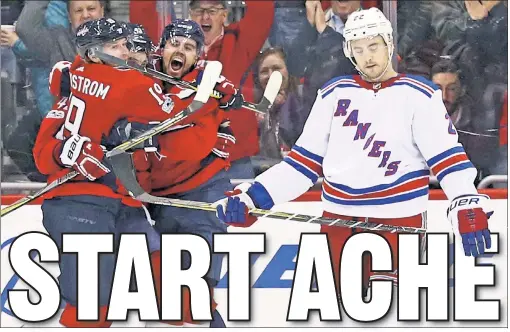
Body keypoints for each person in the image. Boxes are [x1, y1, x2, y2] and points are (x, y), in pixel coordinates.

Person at [214, 8, 493, 295]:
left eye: (373, 46)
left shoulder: (419, 94)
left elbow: (448, 158)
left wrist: (465, 200)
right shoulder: (333, 94)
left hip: (399, 226)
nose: (367, 56)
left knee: (394, 315)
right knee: (337, 314)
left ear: (389, 44)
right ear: (349, 52)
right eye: (358, 49)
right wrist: (253, 198)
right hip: (337, 224)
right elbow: (301, 166)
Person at [32, 17, 194, 327]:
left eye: (127, 47)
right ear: (93, 54)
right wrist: (212, 99)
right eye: (115, 46)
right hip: (79, 201)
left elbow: (169, 127)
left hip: (123, 202)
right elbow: (43, 154)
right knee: (92, 304)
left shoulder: (87, 82)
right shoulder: (112, 85)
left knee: (165, 285)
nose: (125, 53)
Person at [144, 19, 241, 327]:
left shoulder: (209, 82)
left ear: (198, 56)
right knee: (161, 295)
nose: (179, 51)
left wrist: (226, 101)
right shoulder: (142, 81)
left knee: (198, 290)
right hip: (156, 198)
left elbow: (227, 118)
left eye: (188, 47)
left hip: (202, 191)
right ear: (161, 48)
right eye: (174, 44)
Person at [189, 0, 275, 180]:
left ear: (224, 15)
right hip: (189, 155)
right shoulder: (179, 45)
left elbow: (262, 10)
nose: (205, 16)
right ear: (190, 14)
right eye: (199, 10)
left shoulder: (240, 40)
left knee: (238, 206)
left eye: (212, 11)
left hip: (234, 154)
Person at [16, 0, 105, 66]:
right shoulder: (58, 41)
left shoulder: (116, 39)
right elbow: (26, 28)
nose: (85, 15)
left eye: (91, 9)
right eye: (78, 11)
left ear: (102, 12)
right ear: (69, 16)